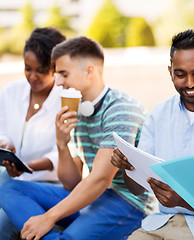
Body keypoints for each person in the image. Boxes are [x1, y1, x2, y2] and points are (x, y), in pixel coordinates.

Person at [0, 36, 154, 240]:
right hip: (96, 199)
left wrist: (48, 217)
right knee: (11, 188)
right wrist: (62, 144)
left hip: (128, 203)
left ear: (89, 71)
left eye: (63, 74)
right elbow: (71, 183)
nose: (58, 82)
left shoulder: (121, 109)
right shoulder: (79, 110)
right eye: (57, 75)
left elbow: (100, 179)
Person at [111, 29, 194, 240]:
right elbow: (136, 189)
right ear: (170, 71)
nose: (189, 83)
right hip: (159, 223)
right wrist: (127, 166)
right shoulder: (159, 113)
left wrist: (182, 200)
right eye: (180, 74)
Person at [0, 27, 66, 239]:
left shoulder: (67, 99)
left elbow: (71, 151)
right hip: (7, 178)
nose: (33, 76)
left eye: (41, 70)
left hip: (47, 184)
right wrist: (5, 144)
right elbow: (2, 129)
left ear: (56, 67)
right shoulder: (11, 92)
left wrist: (32, 166)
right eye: (28, 69)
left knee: (1, 225)